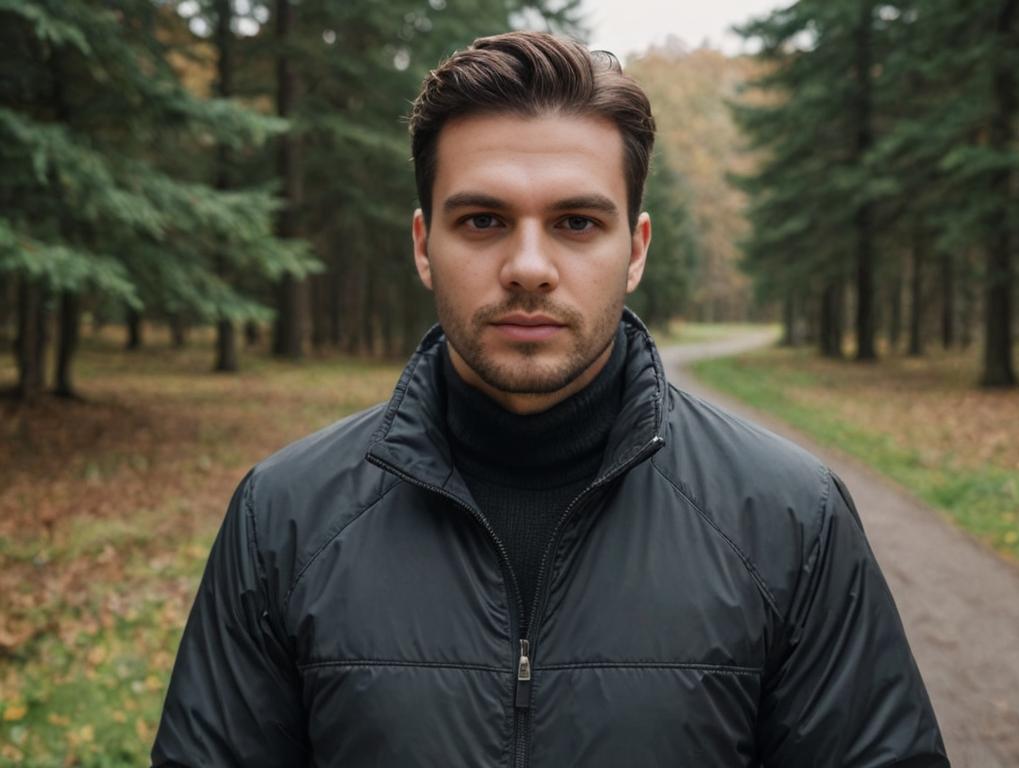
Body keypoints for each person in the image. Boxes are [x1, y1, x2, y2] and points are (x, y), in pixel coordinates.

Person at [152, 31, 949, 768]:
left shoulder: (789, 519)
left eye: (574, 221)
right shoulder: (285, 517)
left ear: (634, 250)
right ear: (424, 245)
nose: (528, 266)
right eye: (483, 220)